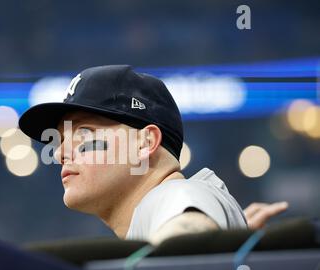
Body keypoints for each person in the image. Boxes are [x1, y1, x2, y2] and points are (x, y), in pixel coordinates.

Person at [19, 65, 288, 244]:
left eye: (84, 133)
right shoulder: (169, 208)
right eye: (63, 138)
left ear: (145, 143)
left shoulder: (175, 195)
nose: (60, 152)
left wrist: (192, 239)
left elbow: (188, 231)